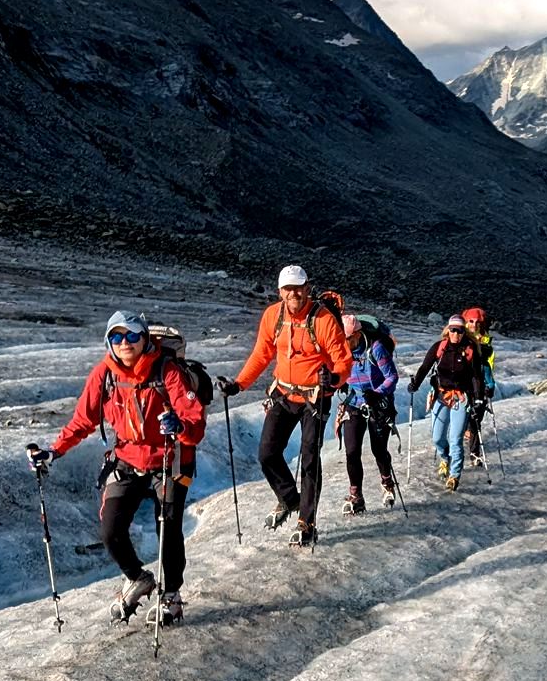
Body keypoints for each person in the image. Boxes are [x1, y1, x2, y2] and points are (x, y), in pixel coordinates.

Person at [28, 310, 206, 623]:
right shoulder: (105, 374)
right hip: (127, 459)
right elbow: (83, 419)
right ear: (109, 341)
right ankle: (137, 577)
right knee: (110, 530)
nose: (125, 343)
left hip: (171, 458)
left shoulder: (168, 370)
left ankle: (171, 596)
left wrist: (179, 426)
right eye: (117, 336)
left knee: (168, 528)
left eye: (132, 336)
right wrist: (54, 451)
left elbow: (195, 422)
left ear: (144, 339)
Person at [216, 264, 351, 547]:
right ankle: (291, 499)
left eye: (299, 287)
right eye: (288, 288)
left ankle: (307, 523)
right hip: (284, 394)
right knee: (267, 453)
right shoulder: (272, 316)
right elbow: (261, 354)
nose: (294, 293)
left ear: (307, 288)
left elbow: (343, 361)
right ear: (280, 291)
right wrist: (239, 384)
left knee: (310, 459)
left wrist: (335, 378)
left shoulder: (323, 319)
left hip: (316, 396)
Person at [408, 314, 488, 491]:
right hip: (441, 396)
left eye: (459, 331)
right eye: (453, 330)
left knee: (455, 438)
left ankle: (454, 475)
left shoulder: (469, 350)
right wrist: (415, 384)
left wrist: (478, 399)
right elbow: (425, 367)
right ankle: (445, 458)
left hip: (461, 398)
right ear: (448, 330)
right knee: (437, 438)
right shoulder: (440, 347)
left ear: (463, 332)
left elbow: (476, 377)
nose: (456, 334)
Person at [335, 313, 398, 512]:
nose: (344, 344)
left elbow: (392, 377)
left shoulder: (376, 348)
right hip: (354, 403)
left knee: (378, 450)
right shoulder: (341, 351)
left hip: (378, 404)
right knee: (352, 452)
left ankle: (387, 483)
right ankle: (356, 496)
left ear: (358, 334)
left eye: (347, 339)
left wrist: (377, 393)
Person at [460, 305, 497, 465]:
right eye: (470, 321)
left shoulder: (486, 344)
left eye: (477, 322)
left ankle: (473, 452)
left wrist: (490, 384)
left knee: (476, 419)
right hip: (462, 385)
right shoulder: (458, 338)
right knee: (465, 419)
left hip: (480, 385)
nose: (474, 325)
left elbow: (488, 365)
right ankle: (466, 450)